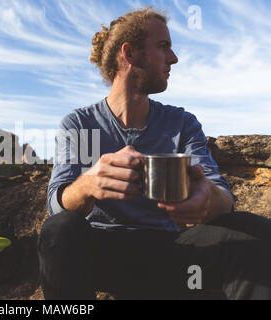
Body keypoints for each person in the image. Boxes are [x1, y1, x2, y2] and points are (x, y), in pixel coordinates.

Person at [37, 7, 271, 300]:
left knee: (255, 231)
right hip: (102, 253)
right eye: (164, 47)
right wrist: (87, 184)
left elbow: (222, 194)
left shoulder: (181, 123)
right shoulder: (79, 123)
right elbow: (55, 203)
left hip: (172, 250)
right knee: (60, 229)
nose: (174, 59)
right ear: (130, 54)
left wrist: (211, 199)